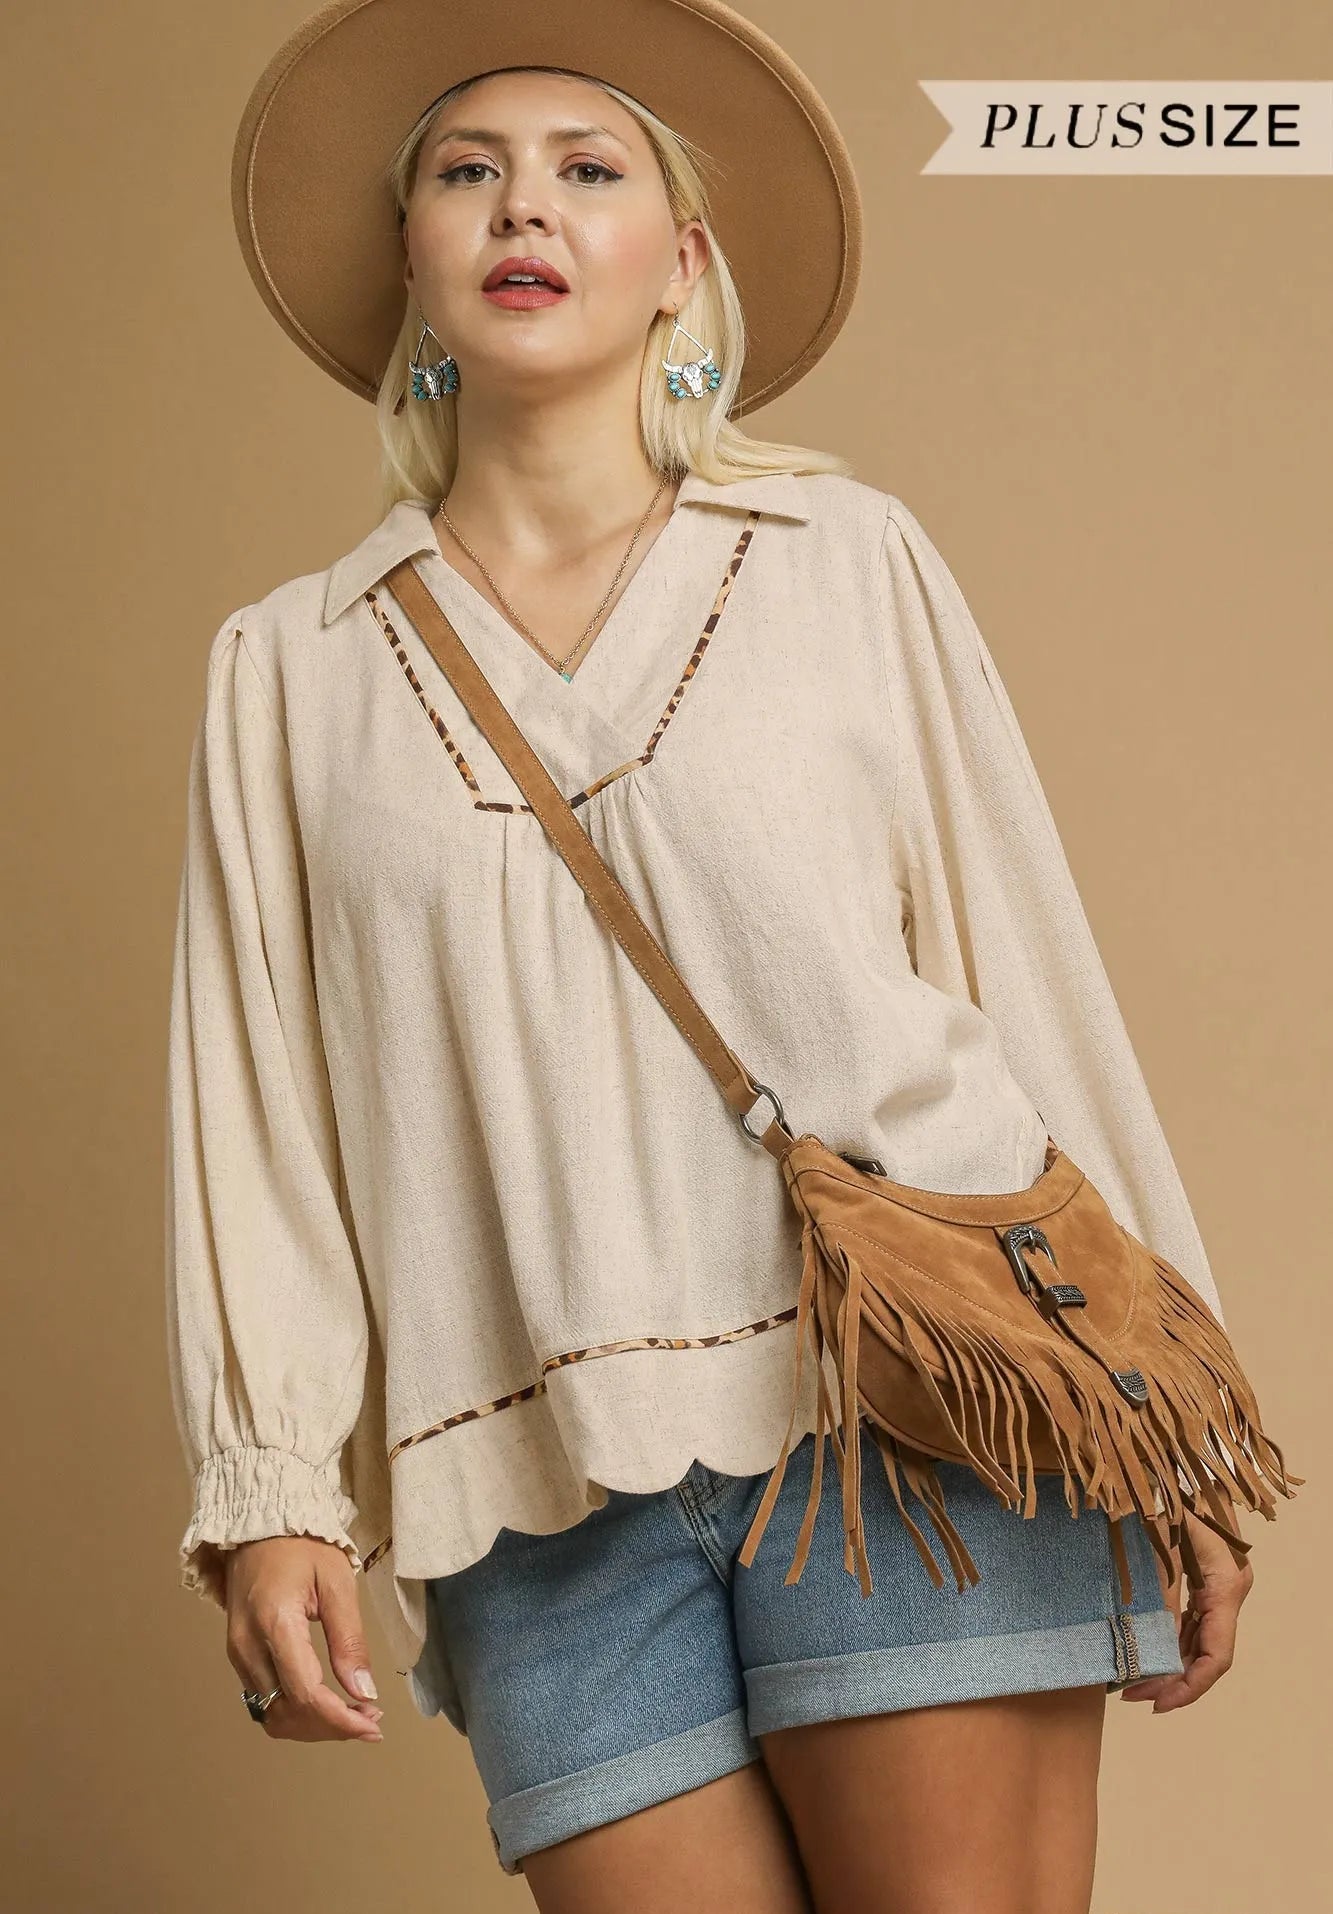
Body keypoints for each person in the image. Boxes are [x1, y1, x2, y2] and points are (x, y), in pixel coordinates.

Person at [165, 5, 1261, 1908]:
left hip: (906, 1409)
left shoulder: (844, 557)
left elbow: (1021, 946)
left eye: (591, 170)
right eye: (466, 170)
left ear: (682, 267)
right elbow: (255, 1107)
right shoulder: (291, 671)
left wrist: (1165, 1391)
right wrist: (268, 1492)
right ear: (413, 261)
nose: (526, 204)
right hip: (526, 1482)